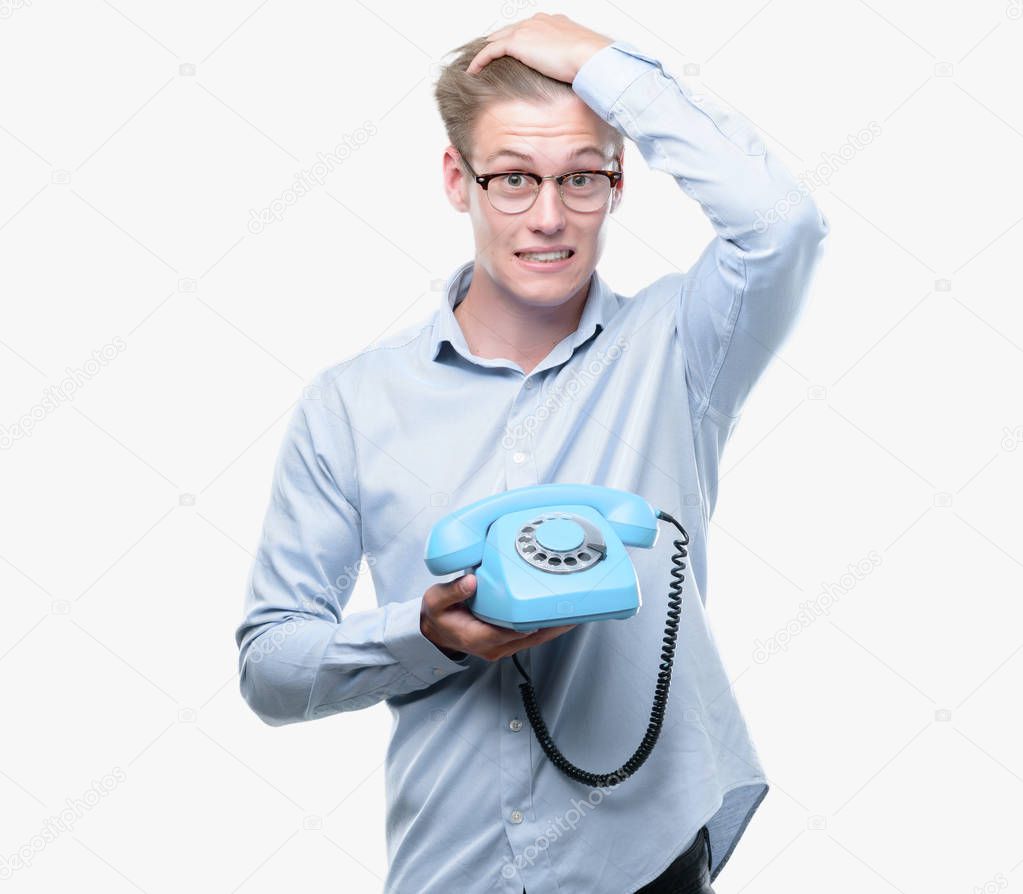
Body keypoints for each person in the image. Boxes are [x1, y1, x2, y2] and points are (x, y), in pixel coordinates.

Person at [235, 13, 828, 894]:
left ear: (618, 181)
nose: (548, 218)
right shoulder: (350, 403)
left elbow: (782, 225)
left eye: (581, 177)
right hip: (449, 870)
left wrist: (603, 67)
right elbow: (271, 666)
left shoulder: (681, 348)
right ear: (456, 179)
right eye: (512, 178)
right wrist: (423, 634)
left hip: (645, 867)